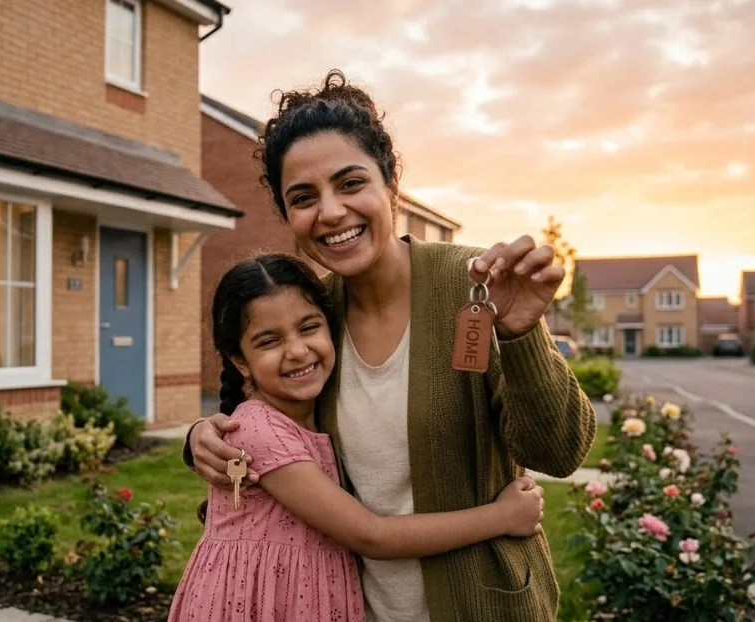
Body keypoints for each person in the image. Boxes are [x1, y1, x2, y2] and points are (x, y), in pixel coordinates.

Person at [182, 70, 598, 622]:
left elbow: (560, 453)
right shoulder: (314, 318)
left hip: (482, 606)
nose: (331, 211)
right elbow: (274, 428)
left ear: (391, 185)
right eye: (303, 198)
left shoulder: (476, 287)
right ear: (288, 218)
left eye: (350, 183)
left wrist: (520, 336)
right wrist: (204, 435)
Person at [168, 253, 547, 622]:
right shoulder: (259, 431)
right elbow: (372, 536)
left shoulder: (316, 412)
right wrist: (502, 517)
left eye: (309, 327)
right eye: (269, 341)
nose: (297, 351)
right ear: (239, 360)